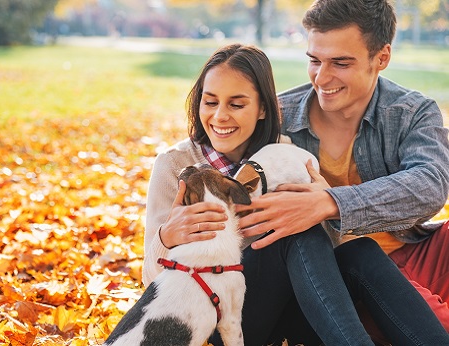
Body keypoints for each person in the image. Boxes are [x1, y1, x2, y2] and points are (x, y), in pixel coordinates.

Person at [142, 43, 447, 345]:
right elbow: (152, 285)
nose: (220, 116)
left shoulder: (283, 155)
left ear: (264, 109)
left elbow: (321, 260)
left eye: (236, 104)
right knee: (293, 235)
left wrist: (327, 202)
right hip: (221, 319)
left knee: (361, 252)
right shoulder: (176, 166)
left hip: (294, 310)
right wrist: (167, 238)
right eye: (210, 102)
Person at [235, 0, 449, 343]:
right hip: (335, 282)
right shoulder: (278, 115)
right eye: (315, 60)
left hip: (408, 250)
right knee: (433, 324)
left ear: (382, 58)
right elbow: (213, 159)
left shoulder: (411, 113)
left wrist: (331, 202)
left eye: (341, 63)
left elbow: (431, 183)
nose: (322, 77)